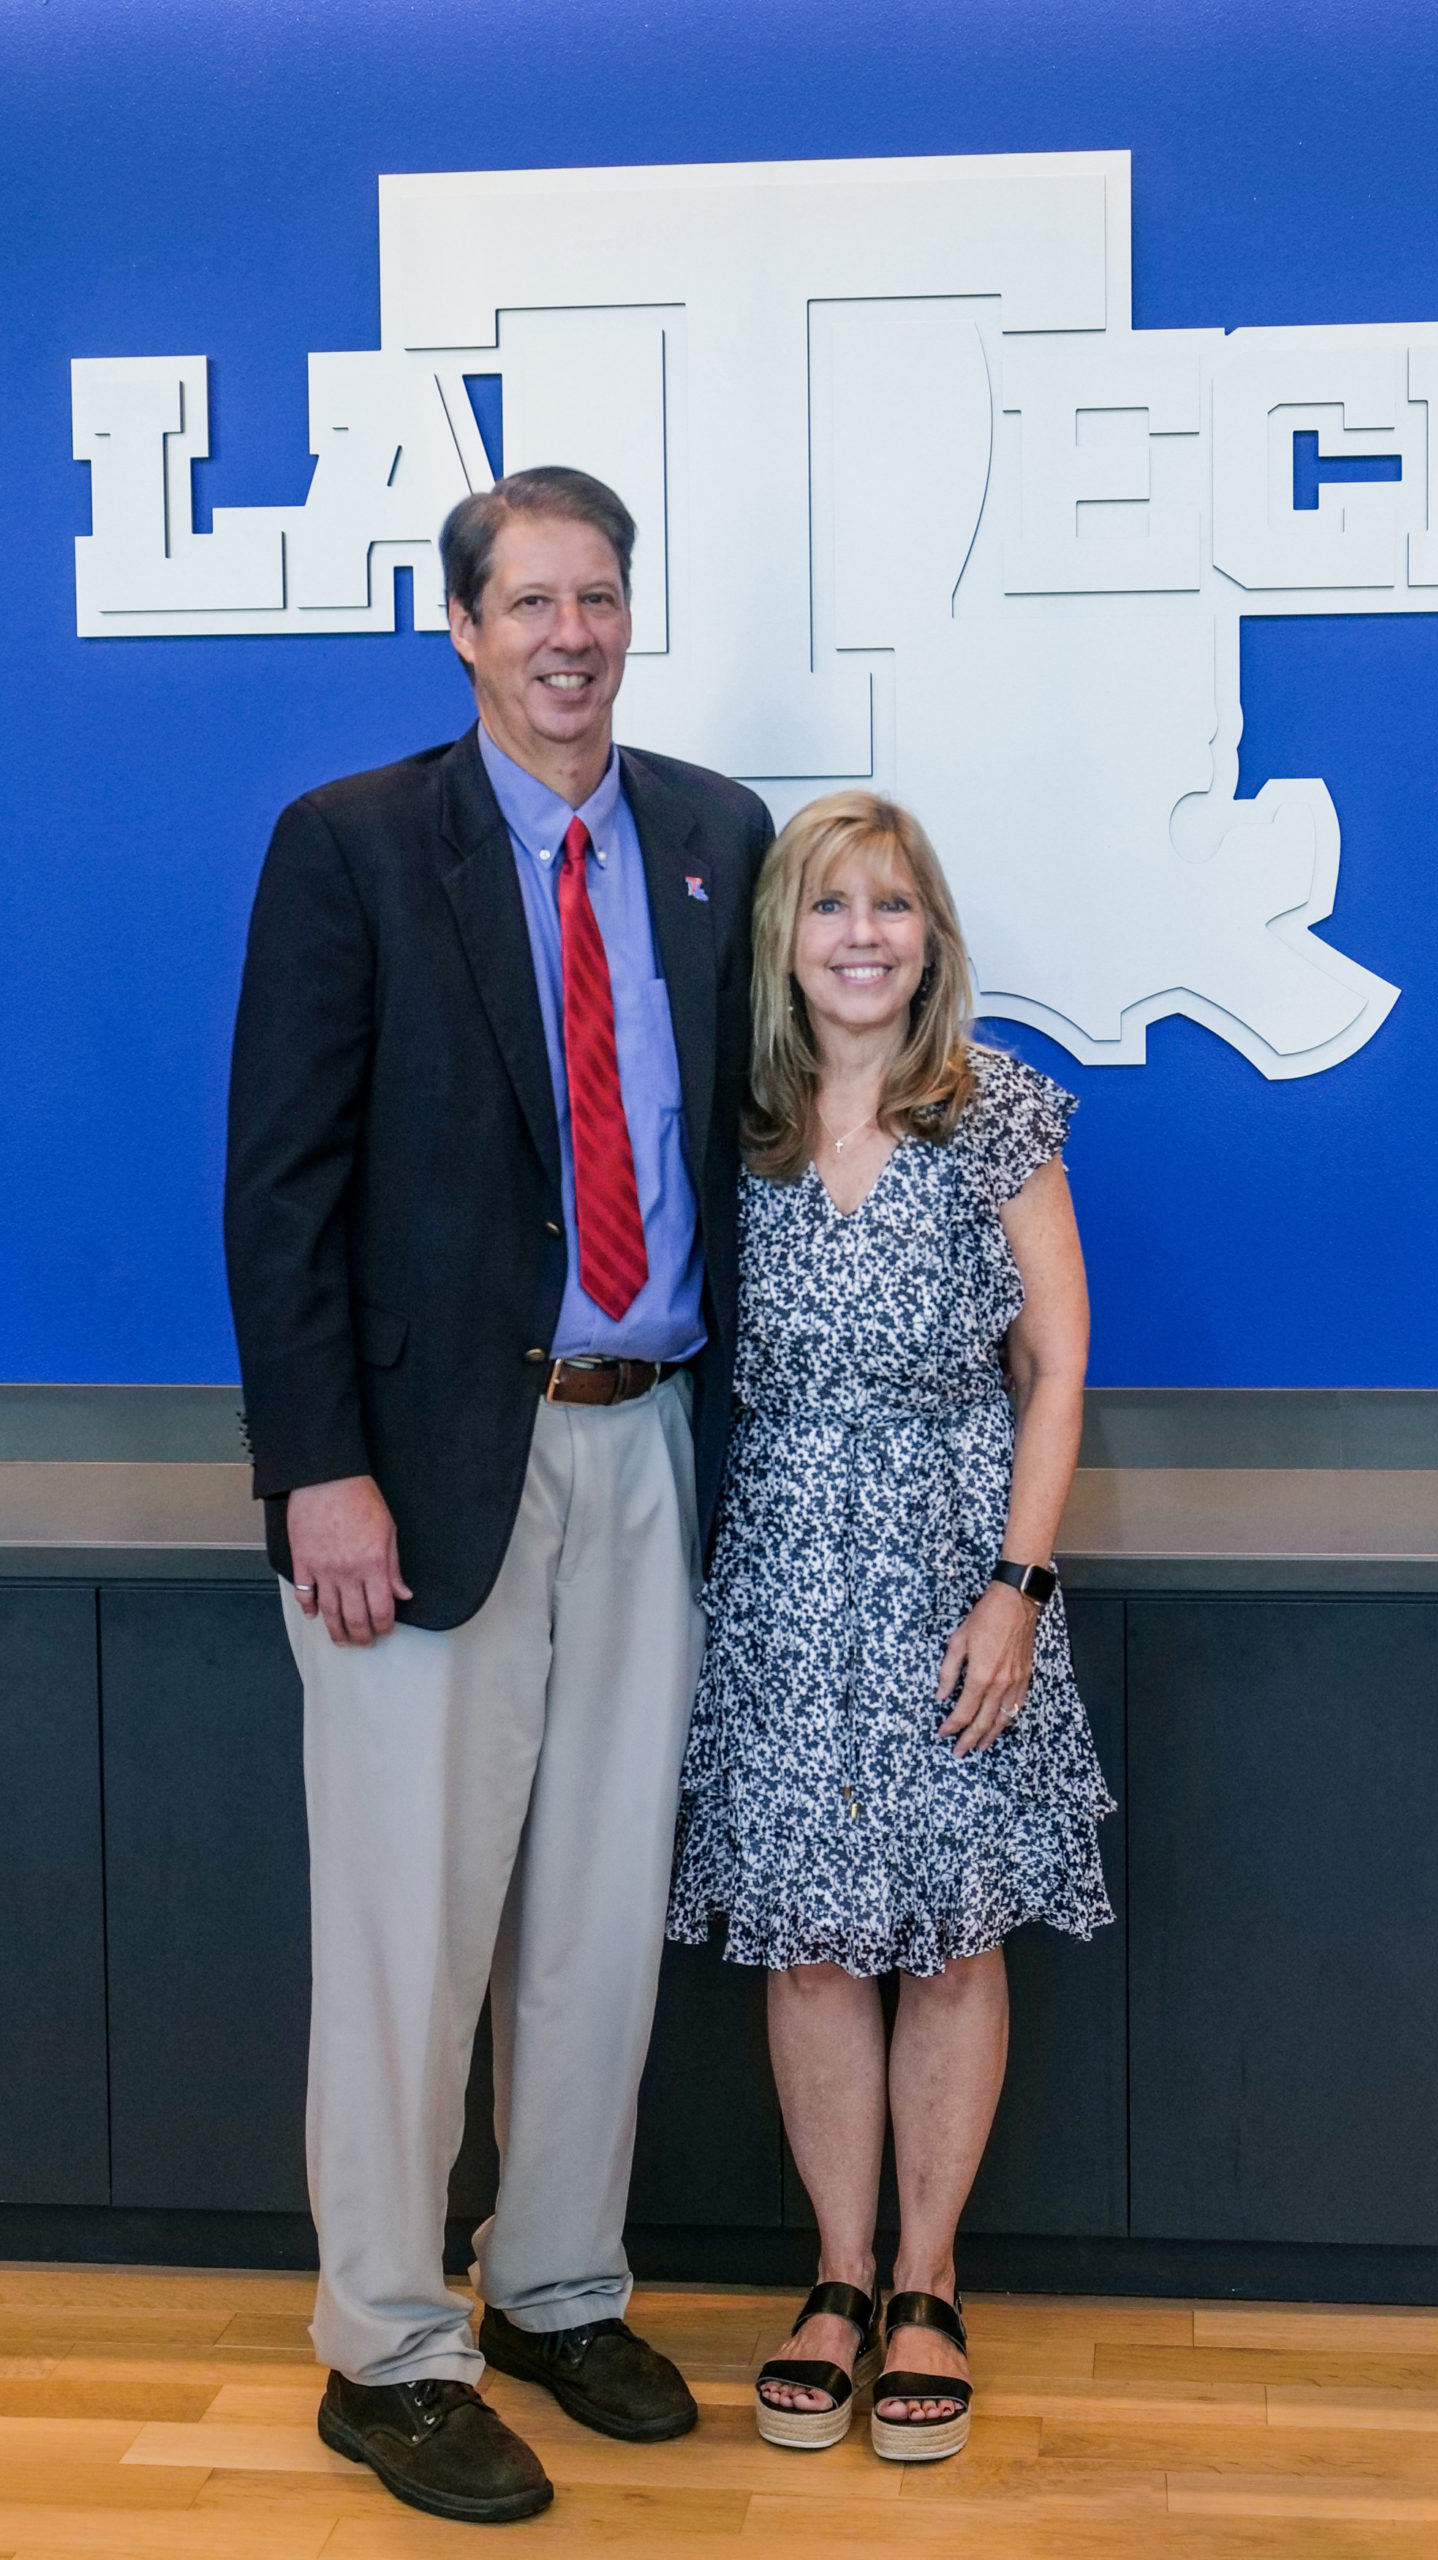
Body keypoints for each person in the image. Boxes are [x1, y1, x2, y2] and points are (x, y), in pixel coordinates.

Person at [224, 466, 773, 2526]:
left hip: (648, 1442)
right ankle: (388, 2343)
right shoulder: (354, 846)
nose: (571, 633)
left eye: (600, 597)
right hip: (421, 1471)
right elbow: (278, 1191)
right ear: (457, 625)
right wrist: (318, 1471)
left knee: (597, 1921)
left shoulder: (714, 839)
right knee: (405, 1930)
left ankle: (551, 2284)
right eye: (529, 600)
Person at [667, 790, 1113, 2465]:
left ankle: (928, 2282)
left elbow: (1056, 1365)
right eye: (829, 906)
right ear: (783, 936)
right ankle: (836, 2281)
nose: (862, 936)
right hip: (775, 1565)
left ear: (932, 937)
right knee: (807, 1935)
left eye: (892, 907)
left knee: (946, 1933)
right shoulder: (739, 1116)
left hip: (953, 1569)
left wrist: (1018, 1585)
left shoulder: (991, 1109)